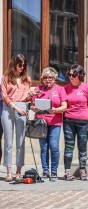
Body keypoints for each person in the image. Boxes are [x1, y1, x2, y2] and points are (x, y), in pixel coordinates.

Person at [1, 54, 37, 182]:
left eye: (24, 65)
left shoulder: (27, 79)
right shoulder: (6, 78)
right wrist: (15, 107)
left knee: (20, 142)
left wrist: (31, 95)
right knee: (8, 142)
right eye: (20, 64)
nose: (22, 67)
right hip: (8, 108)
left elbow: (26, 98)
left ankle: (18, 172)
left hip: (22, 107)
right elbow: (4, 97)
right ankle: (9, 172)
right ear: (14, 65)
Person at [29, 67, 67, 182]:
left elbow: (64, 106)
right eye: (45, 78)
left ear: (54, 78)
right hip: (41, 122)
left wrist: (55, 110)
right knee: (44, 148)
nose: (47, 80)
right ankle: (45, 170)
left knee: (54, 147)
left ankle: (54, 171)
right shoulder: (38, 89)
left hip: (55, 122)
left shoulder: (60, 89)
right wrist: (33, 108)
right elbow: (31, 105)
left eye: (50, 77)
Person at [63, 64, 88, 181]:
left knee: (82, 147)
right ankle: (67, 172)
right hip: (68, 121)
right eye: (69, 75)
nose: (71, 77)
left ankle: (82, 170)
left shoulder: (87, 88)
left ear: (80, 75)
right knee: (69, 146)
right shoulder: (66, 88)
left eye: (73, 75)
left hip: (83, 122)